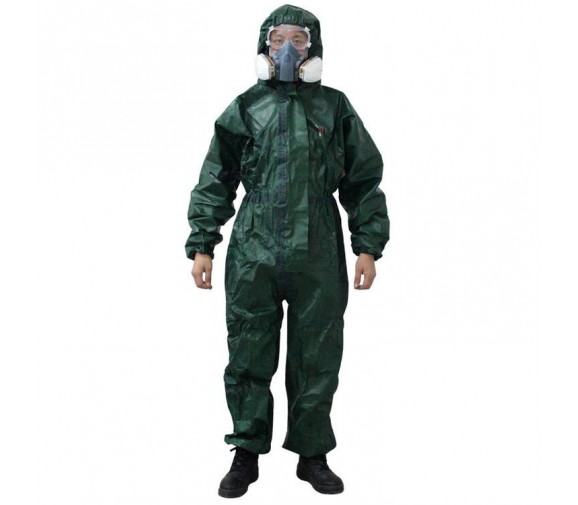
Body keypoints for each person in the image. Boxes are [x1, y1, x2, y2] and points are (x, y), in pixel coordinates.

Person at [185, 4, 390, 498]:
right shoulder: (245, 107)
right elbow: (216, 177)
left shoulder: (334, 107)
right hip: (253, 249)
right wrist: (203, 243)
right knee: (248, 350)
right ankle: (246, 452)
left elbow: (363, 179)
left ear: (313, 47)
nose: (287, 50)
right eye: (278, 40)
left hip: (318, 249)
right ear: (264, 46)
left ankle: (312, 454)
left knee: (317, 353)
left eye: (298, 40)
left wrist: (367, 246)